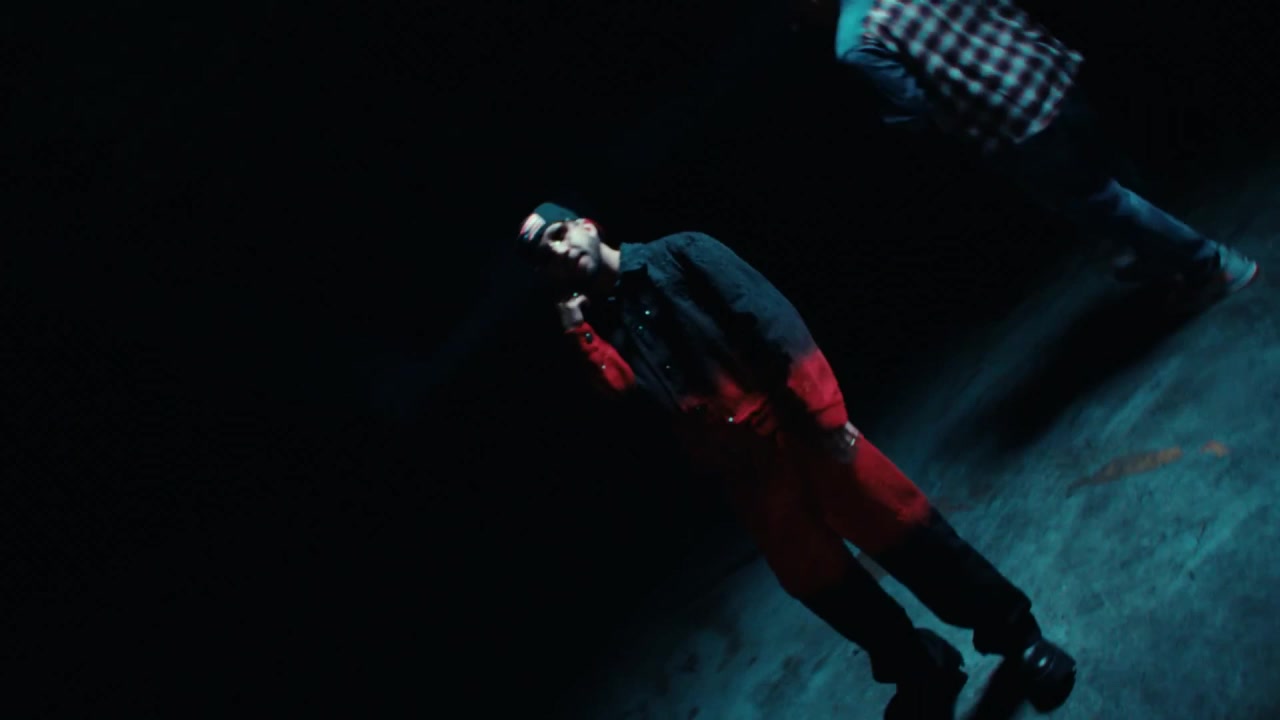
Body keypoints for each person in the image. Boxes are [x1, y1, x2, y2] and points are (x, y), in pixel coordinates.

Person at [516, 201, 1077, 719]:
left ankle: (1017, 638)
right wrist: (577, 331)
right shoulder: (600, 326)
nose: (559, 252)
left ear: (587, 226)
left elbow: (772, 321)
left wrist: (826, 416)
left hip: (798, 429)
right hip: (748, 477)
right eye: (545, 257)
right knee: (827, 587)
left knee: (909, 534)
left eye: (560, 234)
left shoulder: (678, 254)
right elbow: (623, 396)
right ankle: (920, 667)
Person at [801, 0, 1258, 307]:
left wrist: (896, 120)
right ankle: (1165, 258)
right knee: (1110, 175)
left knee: (1101, 201)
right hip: (1045, 66)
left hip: (1010, 119)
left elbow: (915, 109)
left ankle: (1213, 265)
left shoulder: (854, 41)